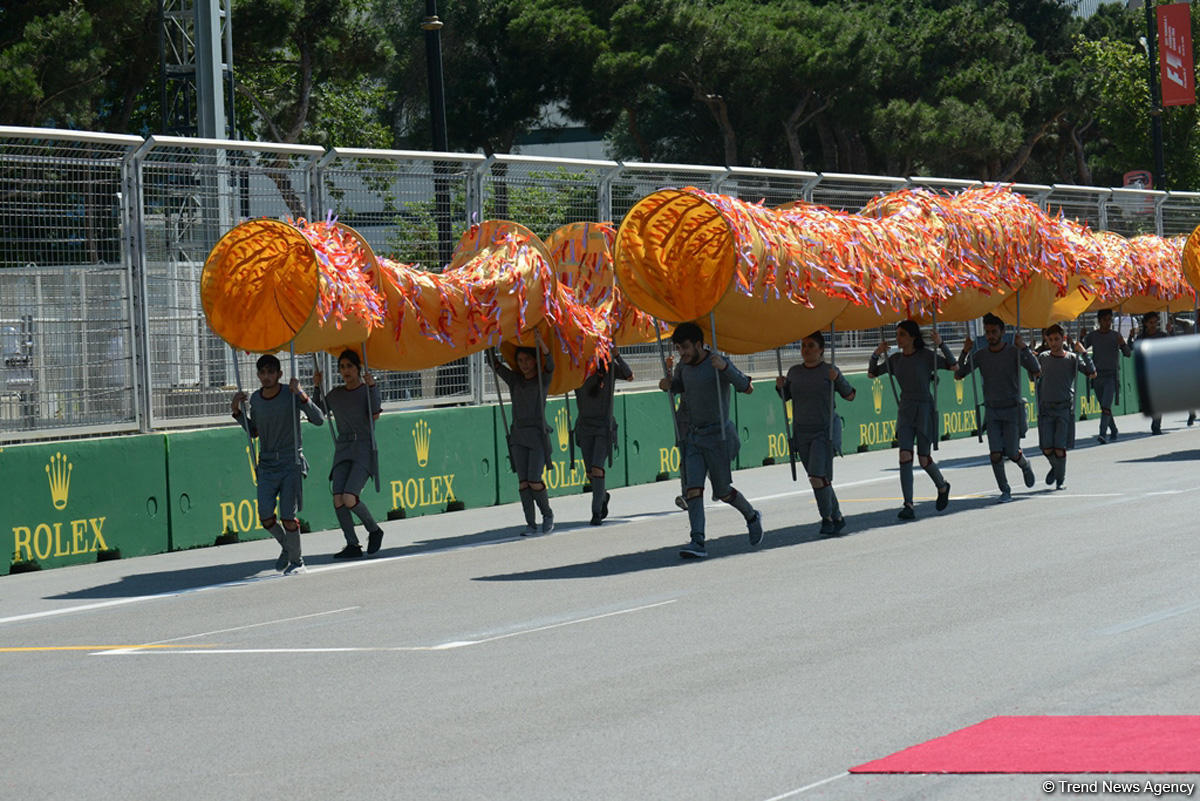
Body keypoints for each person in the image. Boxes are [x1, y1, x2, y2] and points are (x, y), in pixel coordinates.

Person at [659, 322, 763, 558]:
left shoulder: (717, 362)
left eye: (685, 347)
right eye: (678, 348)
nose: (682, 353)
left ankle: (751, 515)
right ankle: (697, 541)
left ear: (699, 344)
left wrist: (725, 367)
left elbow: (747, 387)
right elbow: (678, 387)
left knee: (723, 492)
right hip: (694, 437)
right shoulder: (683, 367)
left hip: (719, 437)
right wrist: (668, 383)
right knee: (693, 490)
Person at [231, 353, 325, 574]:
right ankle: (288, 547)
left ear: (279, 374)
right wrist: (237, 412)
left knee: (288, 517)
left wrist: (301, 393)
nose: (266, 376)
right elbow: (254, 432)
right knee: (265, 516)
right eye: (262, 372)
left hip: (291, 462)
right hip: (267, 465)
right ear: (258, 375)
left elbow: (319, 419)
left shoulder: (290, 394)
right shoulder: (255, 399)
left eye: (271, 372)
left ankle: (297, 561)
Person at [867, 319, 956, 520]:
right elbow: (872, 374)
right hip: (905, 410)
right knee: (904, 456)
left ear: (913, 337)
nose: (898, 338)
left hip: (924, 409)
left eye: (902, 335)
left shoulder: (926, 356)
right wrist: (876, 353)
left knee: (924, 459)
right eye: (897, 334)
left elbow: (953, 366)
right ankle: (908, 504)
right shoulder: (895, 359)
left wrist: (941, 344)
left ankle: (942, 486)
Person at [775, 330, 856, 535]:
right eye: (803, 345)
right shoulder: (794, 372)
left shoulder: (829, 370)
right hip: (802, 432)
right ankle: (837, 517)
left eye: (811, 345)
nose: (806, 349)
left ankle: (826, 518)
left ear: (821, 349)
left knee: (816, 476)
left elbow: (850, 395)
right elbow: (786, 397)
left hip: (824, 431)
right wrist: (780, 387)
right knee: (820, 478)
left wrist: (838, 379)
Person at [955, 314, 1040, 503]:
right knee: (995, 454)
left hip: (1012, 409)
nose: (990, 336)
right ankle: (1005, 490)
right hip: (992, 411)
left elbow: (1036, 370)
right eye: (987, 332)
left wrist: (1024, 347)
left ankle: (1025, 465)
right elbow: (959, 374)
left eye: (994, 332)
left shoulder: (1013, 352)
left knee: (1012, 452)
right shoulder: (981, 355)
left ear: (1002, 332)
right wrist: (965, 352)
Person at [313, 349, 384, 558]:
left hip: (363, 447)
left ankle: (374, 530)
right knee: (338, 499)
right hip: (343, 448)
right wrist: (316, 386)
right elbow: (317, 414)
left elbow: (375, 414)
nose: (346, 371)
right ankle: (352, 544)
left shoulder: (366, 390)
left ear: (358, 368)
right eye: (342, 367)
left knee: (349, 497)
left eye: (350, 366)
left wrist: (373, 386)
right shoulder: (336, 394)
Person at [490, 333, 555, 534]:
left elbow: (550, 364)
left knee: (534, 479)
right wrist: (488, 342)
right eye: (520, 360)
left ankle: (547, 515)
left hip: (537, 436)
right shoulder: (515, 380)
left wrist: (541, 343)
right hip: (518, 436)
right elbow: (494, 364)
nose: (524, 364)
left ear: (535, 360)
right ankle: (530, 524)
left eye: (527, 359)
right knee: (523, 482)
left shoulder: (542, 380)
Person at [574, 350, 634, 525]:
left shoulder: (609, 368)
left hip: (604, 427)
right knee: (590, 472)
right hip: (585, 427)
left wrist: (617, 356)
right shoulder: (576, 368)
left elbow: (629, 376)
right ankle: (602, 496)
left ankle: (596, 512)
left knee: (597, 467)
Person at [1036, 324, 1095, 489]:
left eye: (1057, 339)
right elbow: (1033, 373)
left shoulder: (1072, 358)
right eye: (1050, 340)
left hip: (1064, 408)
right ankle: (1056, 467)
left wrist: (1084, 352)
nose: (1053, 343)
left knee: (1059, 448)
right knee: (1046, 447)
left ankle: (1060, 479)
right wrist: (1027, 354)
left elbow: (1092, 373)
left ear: (1063, 339)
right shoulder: (1043, 357)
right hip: (1046, 408)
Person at [1081, 309, 1131, 443]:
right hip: (1097, 375)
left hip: (1111, 376)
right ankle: (1113, 429)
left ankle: (1102, 433)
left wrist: (1123, 343)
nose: (1108, 323)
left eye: (1109, 320)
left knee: (1106, 405)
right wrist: (1081, 337)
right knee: (1105, 407)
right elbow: (1081, 348)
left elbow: (1128, 353)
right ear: (1099, 321)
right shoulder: (1093, 336)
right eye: (1105, 320)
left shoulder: (1116, 335)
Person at [1129, 312, 1168, 434]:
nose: (1154, 325)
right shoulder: (1141, 338)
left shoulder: (1162, 335)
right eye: (1151, 322)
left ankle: (1156, 424)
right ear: (1145, 323)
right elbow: (1131, 349)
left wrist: (1171, 332)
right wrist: (1130, 337)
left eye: (1155, 322)